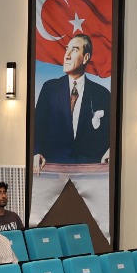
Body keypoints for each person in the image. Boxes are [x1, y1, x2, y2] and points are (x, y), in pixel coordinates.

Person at [32, 33, 111, 238]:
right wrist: (36, 151)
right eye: (66, 49)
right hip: (52, 167)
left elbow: (110, 134)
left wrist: (111, 149)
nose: (66, 55)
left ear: (86, 57)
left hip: (89, 170)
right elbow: (37, 125)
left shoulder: (102, 94)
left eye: (74, 49)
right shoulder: (49, 88)